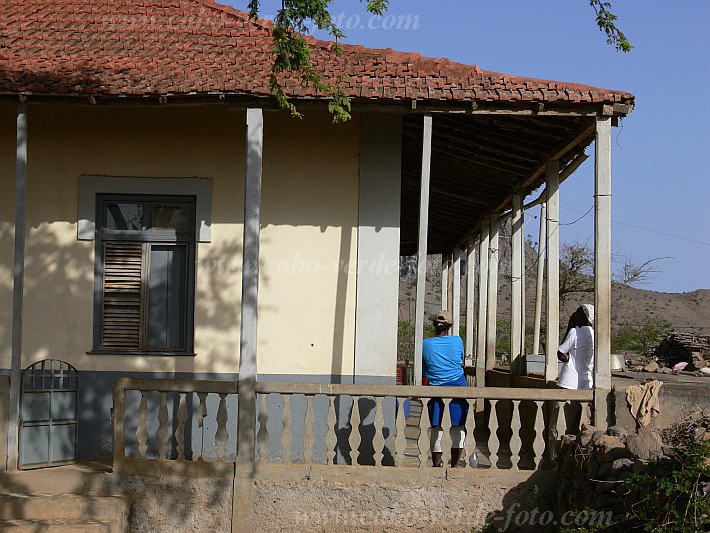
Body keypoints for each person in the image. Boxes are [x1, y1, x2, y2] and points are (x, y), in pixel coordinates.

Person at [422, 310, 468, 467]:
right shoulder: (457, 341)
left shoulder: (425, 344)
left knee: (437, 429)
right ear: (449, 326)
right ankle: (454, 465)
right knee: (458, 428)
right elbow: (460, 361)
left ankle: (436, 465)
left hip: (436, 390)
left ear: (434, 325)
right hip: (458, 388)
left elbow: (425, 368)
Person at [556, 304, 594, 434]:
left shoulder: (575, 332)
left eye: (577, 311)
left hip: (569, 383)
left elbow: (560, 353)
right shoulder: (596, 335)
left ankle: (555, 452)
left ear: (584, 316)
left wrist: (570, 325)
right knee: (577, 428)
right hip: (587, 384)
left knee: (560, 424)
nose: (574, 314)